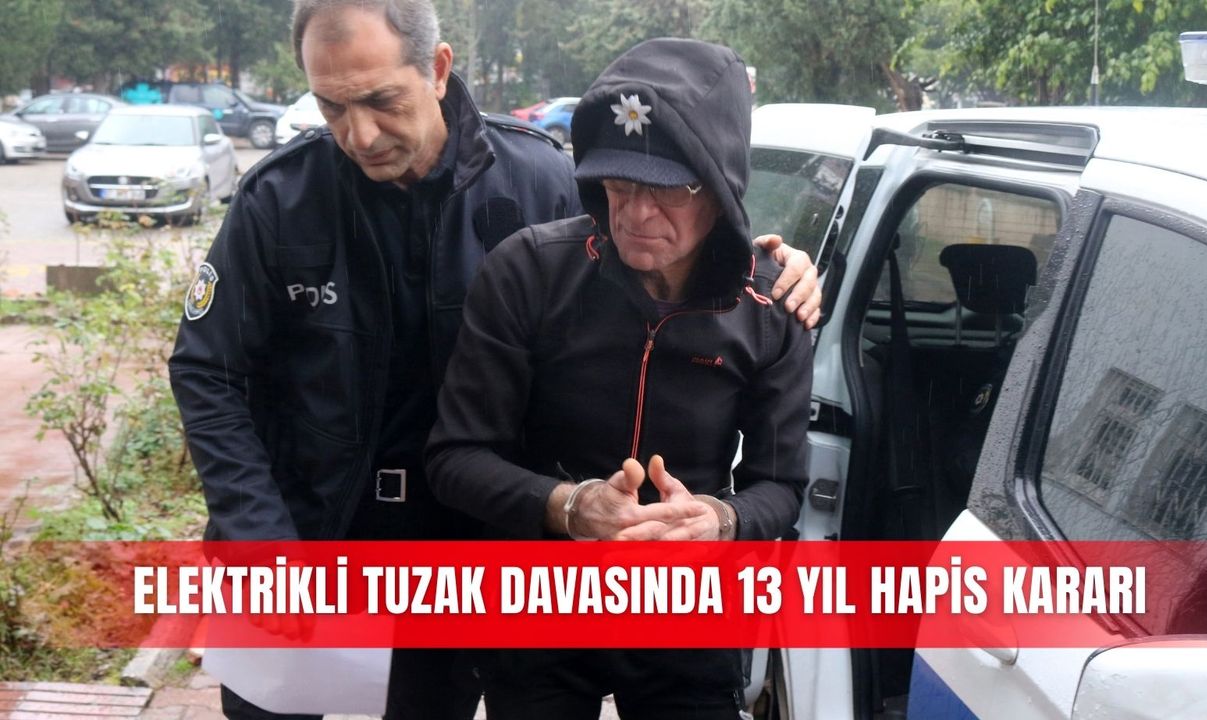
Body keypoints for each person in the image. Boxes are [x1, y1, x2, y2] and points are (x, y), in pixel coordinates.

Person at [168, 1, 822, 718]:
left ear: (437, 69)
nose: (358, 134)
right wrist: (258, 540)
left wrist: (762, 264)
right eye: (332, 106)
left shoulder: (535, 179)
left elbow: (652, 230)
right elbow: (208, 372)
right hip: (303, 525)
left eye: (382, 101)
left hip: (454, 541)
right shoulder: (278, 199)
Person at [424, 38, 813, 719]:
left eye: (668, 191)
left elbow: (780, 485)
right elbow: (455, 457)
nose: (636, 215)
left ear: (721, 187)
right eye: (619, 185)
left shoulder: (769, 306)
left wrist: (721, 520)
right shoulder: (529, 272)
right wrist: (570, 506)